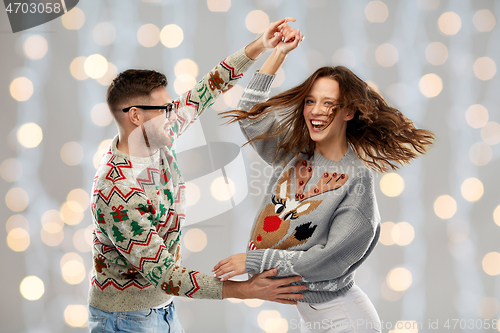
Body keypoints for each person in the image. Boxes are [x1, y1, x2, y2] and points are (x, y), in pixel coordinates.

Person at [88, 19, 307, 333]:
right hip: (127, 320)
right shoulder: (117, 191)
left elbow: (209, 87)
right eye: (165, 109)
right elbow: (163, 274)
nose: (174, 113)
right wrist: (243, 291)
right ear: (135, 116)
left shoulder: (157, 135)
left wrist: (262, 45)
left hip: (161, 309)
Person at [213, 34, 435, 332]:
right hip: (311, 316)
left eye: (328, 103)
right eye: (310, 101)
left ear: (349, 112)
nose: (316, 111)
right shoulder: (295, 154)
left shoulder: (357, 180)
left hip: (344, 319)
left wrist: (253, 261)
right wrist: (278, 53)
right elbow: (250, 115)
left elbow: (328, 260)